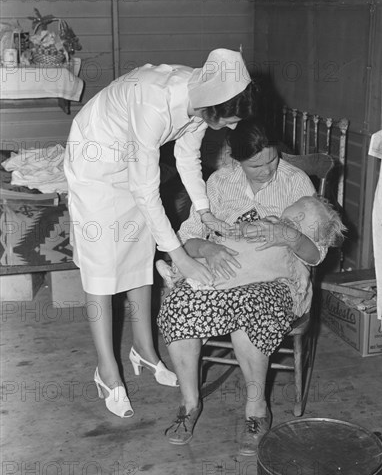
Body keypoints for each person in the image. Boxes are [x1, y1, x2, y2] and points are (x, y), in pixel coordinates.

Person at [63, 49, 258, 418]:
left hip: (134, 163)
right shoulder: (155, 102)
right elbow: (146, 190)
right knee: (102, 269)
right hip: (95, 162)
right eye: (229, 119)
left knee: (138, 257)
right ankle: (107, 370)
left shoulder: (204, 98)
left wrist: (205, 211)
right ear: (212, 107)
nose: (232, 128)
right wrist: (180, 255)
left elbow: (186, 157)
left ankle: (145, 350)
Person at [157, 120, 346, 454]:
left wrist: (289, 236)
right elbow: (188, 237)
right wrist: (208, 248)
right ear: (236, 158)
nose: (267, 170)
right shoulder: (218, 181)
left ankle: (256, 409)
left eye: (272, 161)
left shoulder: (295, 180)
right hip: (220, 262)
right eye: (256, 165)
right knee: (179, 304)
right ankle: (189, 404)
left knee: (250, 311)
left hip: (273, 279)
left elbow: (317, 251)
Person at [156, 195, 345, 291]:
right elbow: (247, 228)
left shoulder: (295, 245)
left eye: (297, 225)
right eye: (291, 216)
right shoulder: (271, 221)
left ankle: (178, 275)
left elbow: (302, 260)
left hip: (245, 272)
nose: (288, 224)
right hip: (228, 249)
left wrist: (303, 275)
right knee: (216, 264)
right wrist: (245, 228)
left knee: (224, 272)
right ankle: (175, 271)